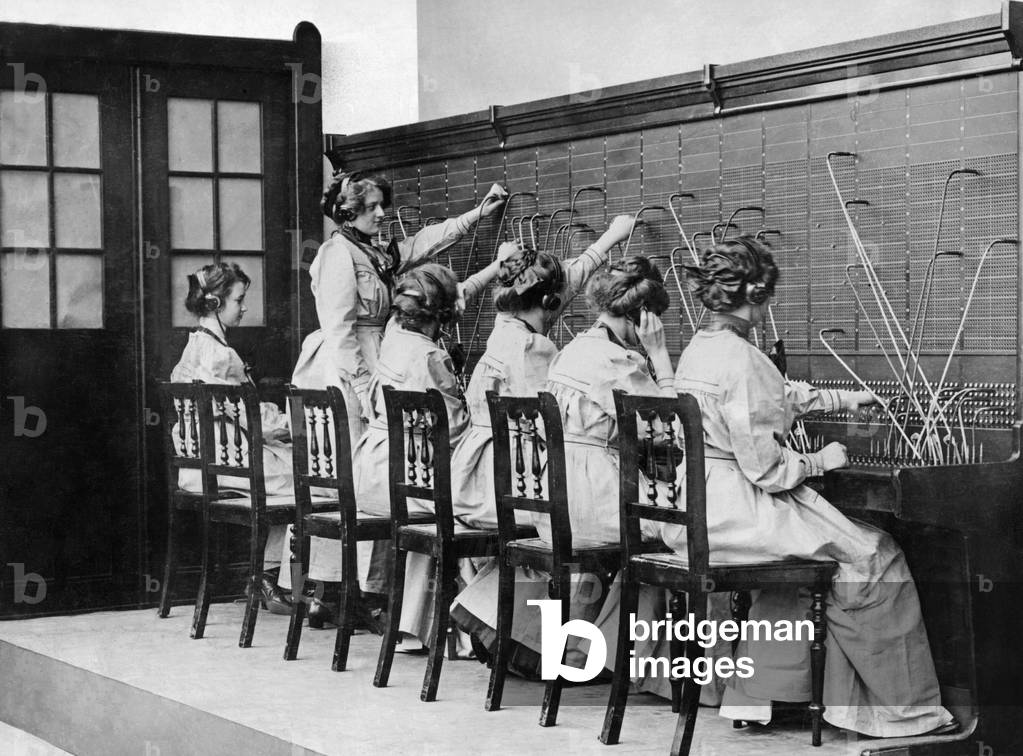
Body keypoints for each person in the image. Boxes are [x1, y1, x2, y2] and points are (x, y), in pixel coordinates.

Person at [666, 236, 956, 737]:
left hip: (696, 509)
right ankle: (902, 712)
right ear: (755, 293)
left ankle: (759, 697)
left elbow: (767, 398)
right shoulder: (745, 359)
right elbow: (767, 470)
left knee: (813, 560)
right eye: (769, 295)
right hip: (736, 511)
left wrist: (844, 400)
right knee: (875, 554)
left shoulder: (698, 351)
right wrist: (819, 459)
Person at [288, 171, 506, 625]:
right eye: (372, 207)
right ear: (349, 212)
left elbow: (426, 243)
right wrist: (368, 387)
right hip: (345, 369)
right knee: (349, 477)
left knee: (379, 473)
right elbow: (339, 330)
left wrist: (476, 216)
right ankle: (336, 591)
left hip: (376, 360)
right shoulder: (336, 255)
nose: (383, 214)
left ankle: (363, 592)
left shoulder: (375, 251)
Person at [452, 255, 675, 668]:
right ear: (644, 315)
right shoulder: (621, 361)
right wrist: (660, 358)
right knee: (673, 532)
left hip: (550, 502)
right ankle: (597, 656)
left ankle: (547, 642)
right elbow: (668, 430)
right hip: (589, 506)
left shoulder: (570, 351)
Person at [352, 258, 512, 650]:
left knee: (445, 501)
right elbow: (454, 430)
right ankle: (471, 622)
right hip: (404, 478)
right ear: (440, 315)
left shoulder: (392, 339)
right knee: (473, 503)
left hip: (371, 470)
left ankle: (417, 626)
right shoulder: (430, 356)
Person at [450, 214, 636, 529]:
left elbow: (569, 278)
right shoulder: (533, 348)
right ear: (550, 301)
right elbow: (550, 428)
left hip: (470, 477)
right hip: (509, 485)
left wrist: (610, 237)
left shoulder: (504, 325)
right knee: (596, 511)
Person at [170, 262, 293, 614]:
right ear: (216, 304)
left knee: (291, 470)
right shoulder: (220, 354)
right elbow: (246, 416)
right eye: (239, 300)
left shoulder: (196, 345)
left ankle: (269, 578)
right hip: (226, 463)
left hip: (197, 465)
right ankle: (279, 580)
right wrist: (286, 426)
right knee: (309, 486)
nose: (244, 307)